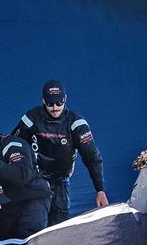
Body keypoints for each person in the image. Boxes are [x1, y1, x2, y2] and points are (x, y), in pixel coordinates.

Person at [12, 80, 108, 226]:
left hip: (61, 181)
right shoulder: (32, 117)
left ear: (65, 99)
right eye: (50, 103)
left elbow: (93, 158)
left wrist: (100, 190)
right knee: (34, 221)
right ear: (43, 100)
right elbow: (13, 144)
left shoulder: (77, 124)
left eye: (59, 103)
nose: (55, 108)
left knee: (60, 223)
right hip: (35, 179)